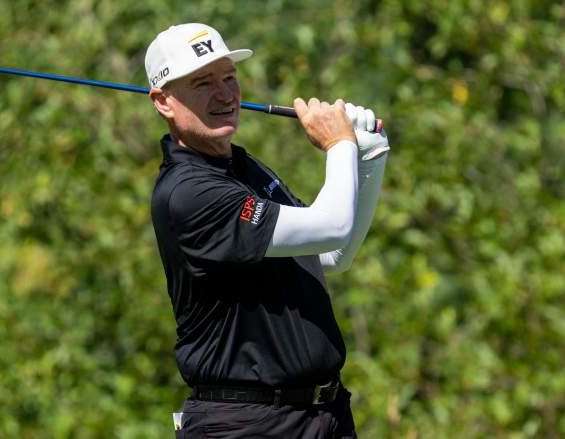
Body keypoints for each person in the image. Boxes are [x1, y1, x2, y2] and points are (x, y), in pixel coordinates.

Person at [146, 23, 389, 438]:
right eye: (203, 83)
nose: (225, 94)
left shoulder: (243, 168)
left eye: (229, 77)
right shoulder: (187, 193)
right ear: (164, 101)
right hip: (246, 423)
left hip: (323, 416)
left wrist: (369, 158)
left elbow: (331, 253)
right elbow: (332, 227)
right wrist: (339, 145)